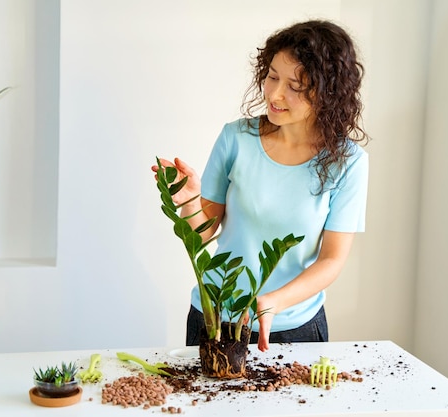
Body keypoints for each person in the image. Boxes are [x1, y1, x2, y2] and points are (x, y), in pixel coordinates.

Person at [153, 20, 369, 352]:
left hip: (292, 326)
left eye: (295, 86)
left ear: (328, 92)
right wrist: (190, 201)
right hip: (213, 319)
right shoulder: (235, 139)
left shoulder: (348, 162)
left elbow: (331, 260)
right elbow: (202, 233)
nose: (275, 94)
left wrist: (273, 302)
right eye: (272, 77)